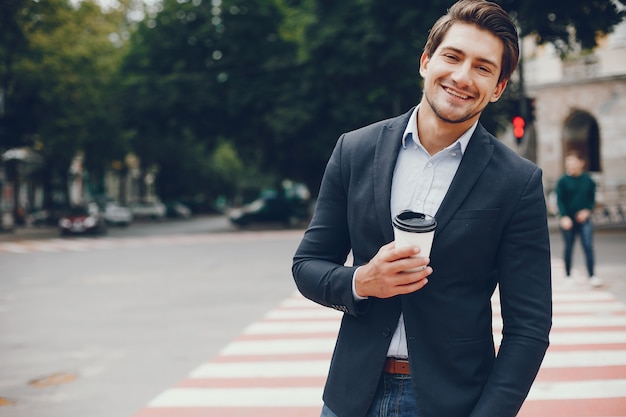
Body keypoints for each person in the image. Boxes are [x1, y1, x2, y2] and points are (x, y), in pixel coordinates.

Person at [292, 1, 552, 416]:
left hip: (452, 402)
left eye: (483, 68)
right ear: (426, 61)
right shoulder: (355, 150)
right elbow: (307, 265)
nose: (462, 77)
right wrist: (362, 281)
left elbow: (529, 328)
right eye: (452, 56)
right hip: (350, 398)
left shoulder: (517, 183)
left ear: (499, 88)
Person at [556, 150, 601, 287]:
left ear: (581, 163)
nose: (570, 165)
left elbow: (592, 199)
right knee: (569, 247)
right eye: (568, 162)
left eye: (573, 162)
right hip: (568, 219)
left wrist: (587, 211)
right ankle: (568, 275)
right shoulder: (563, 181)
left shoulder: (588, 180)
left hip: (584, 219)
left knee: (588, 245)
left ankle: (592, 275)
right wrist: (564, 217)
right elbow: (560, 200)